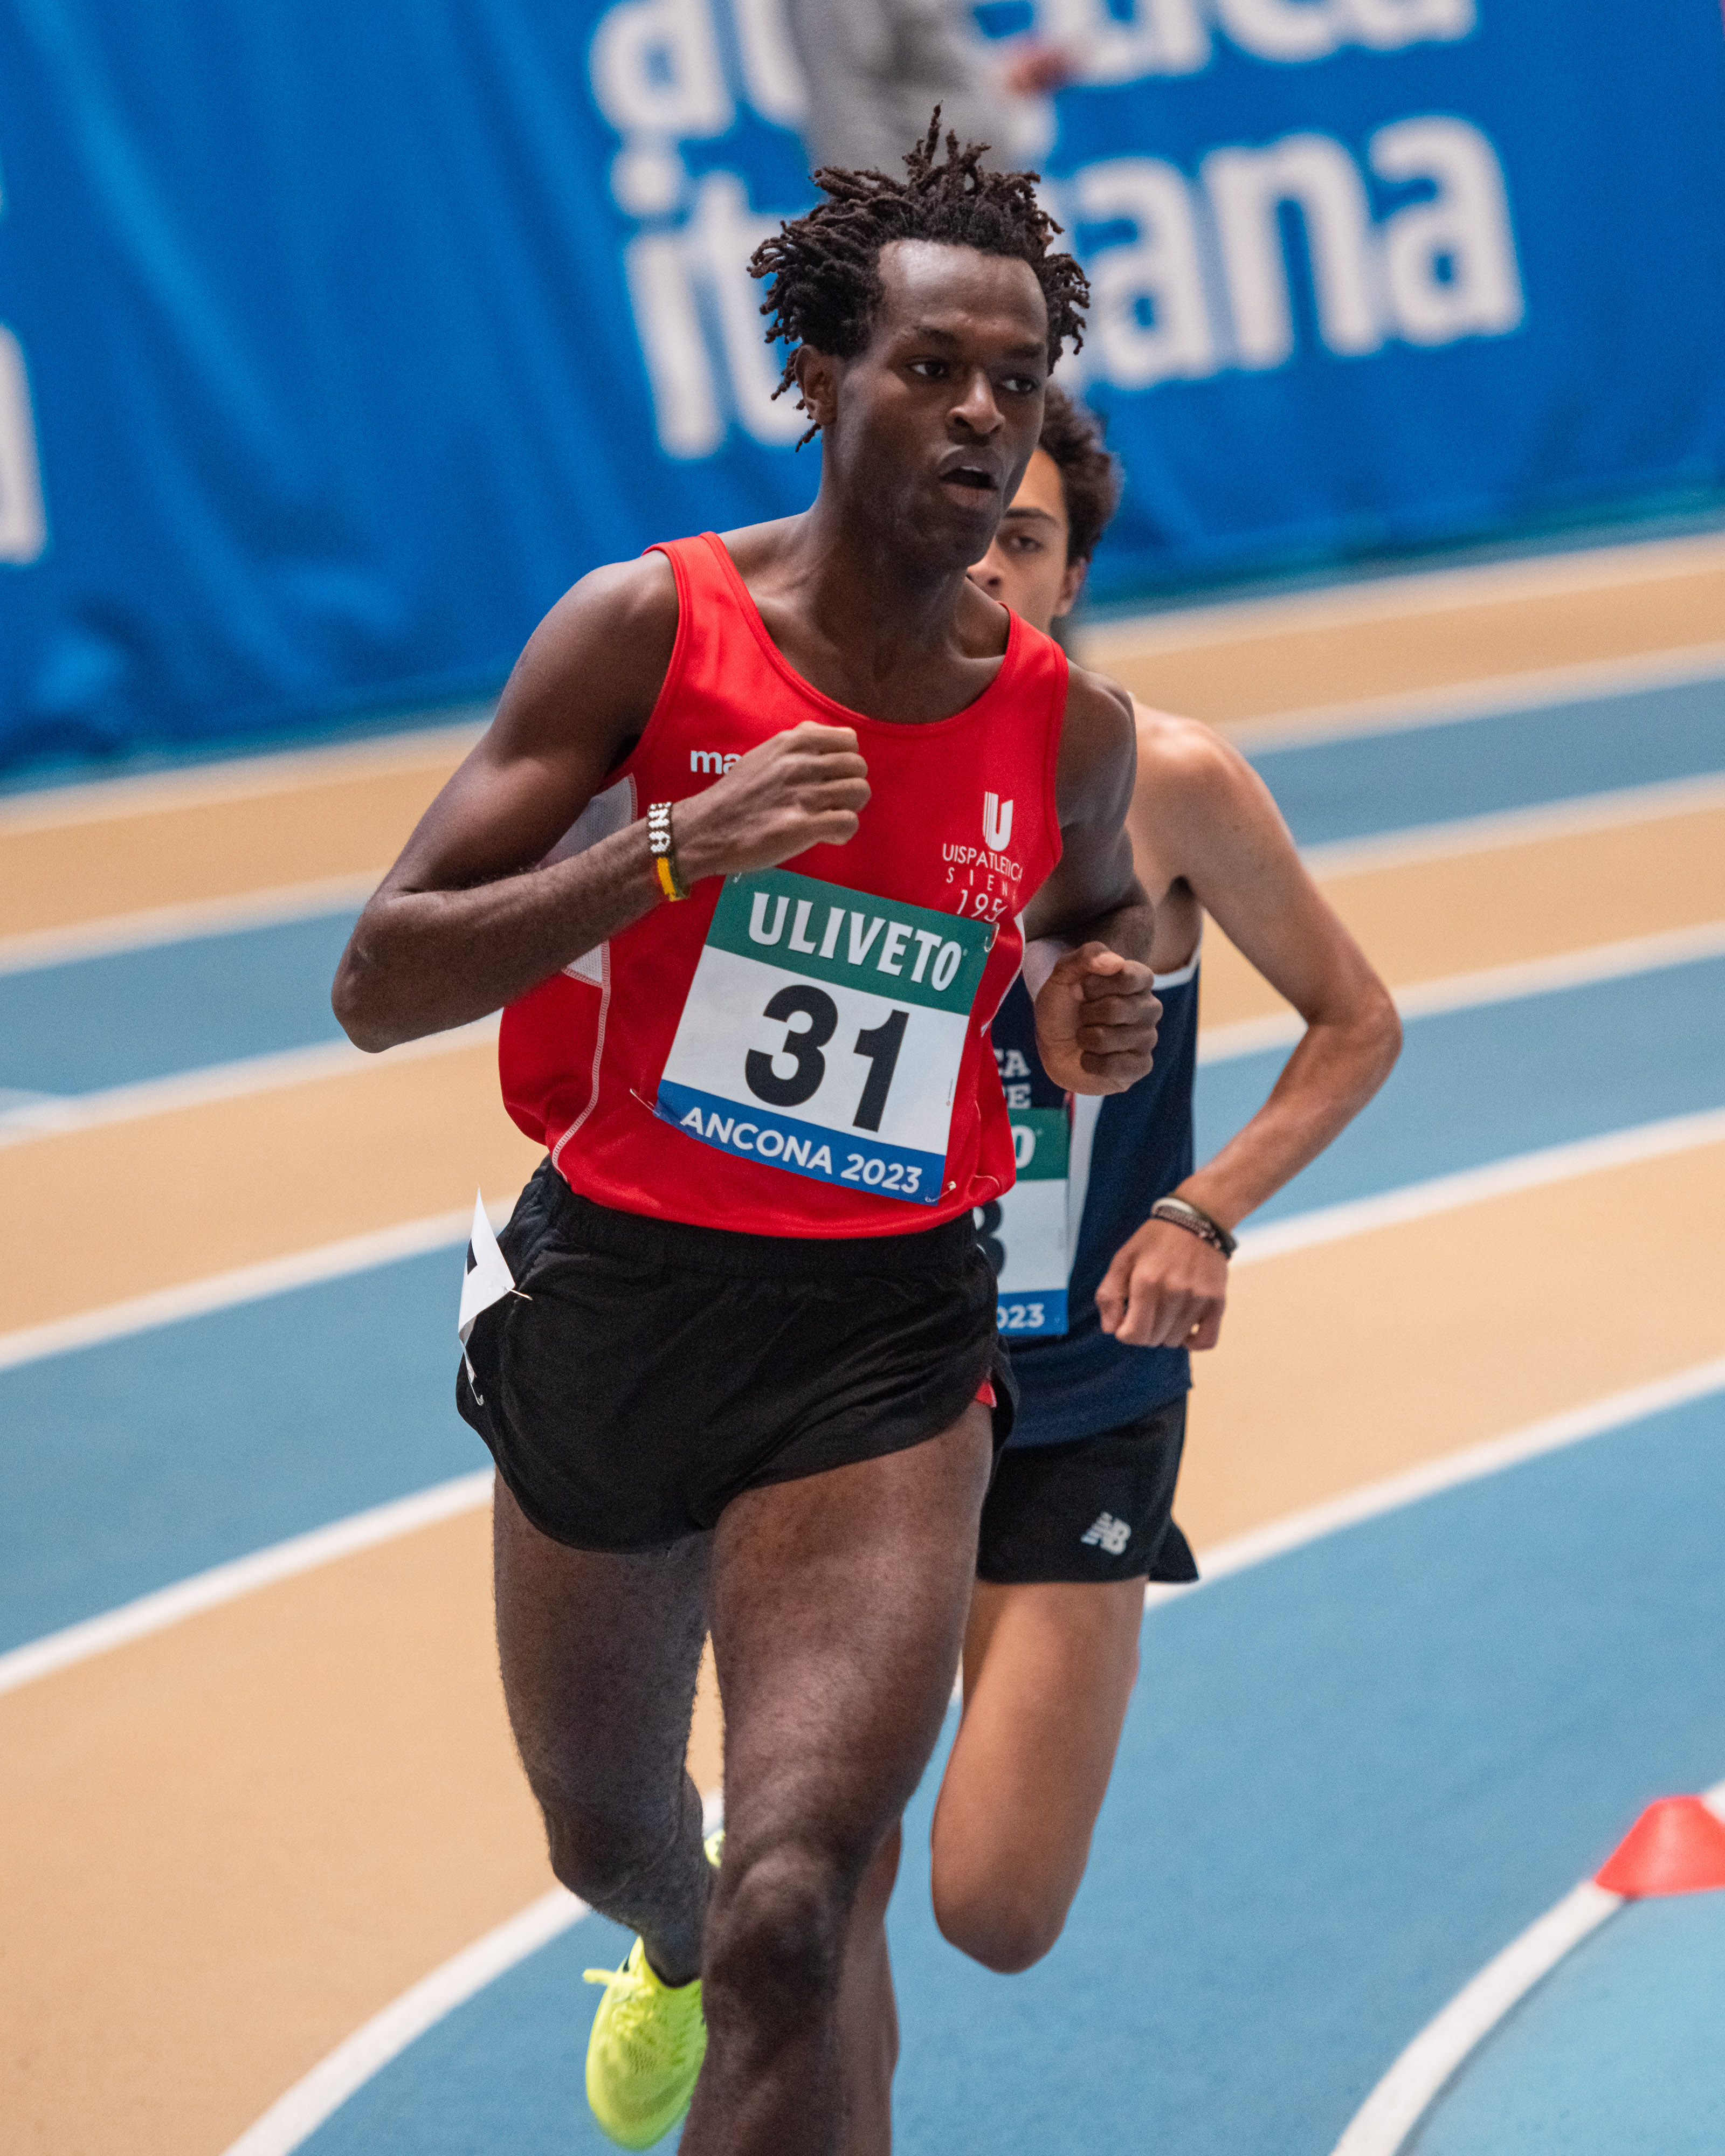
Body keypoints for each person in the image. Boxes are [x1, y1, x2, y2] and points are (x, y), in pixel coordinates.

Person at [332, 127, 1161, 2155]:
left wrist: (1087, 1006)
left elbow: (1091, 933)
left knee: (807, 1907)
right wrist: (668, 854)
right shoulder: (648, 628)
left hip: (888, 1342)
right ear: (821, 372)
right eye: (932, 368)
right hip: (623, 1306)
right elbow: (379, 976)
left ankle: (743, 1960)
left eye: (1017, 379)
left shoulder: (1064, 724)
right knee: (626, 1843)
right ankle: (662, 1938)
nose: (980, 415)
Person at [928, 386, 1402, 1975]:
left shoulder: (1173, 782)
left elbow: (1356, 1021)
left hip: (1081, 1397)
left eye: (1026, 540)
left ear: (1072, 579)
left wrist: (1206, 1209)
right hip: (855, 1381)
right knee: (811, 1866)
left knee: (997, 1908)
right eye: (966, 526)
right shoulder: (824, 772)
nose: (988, 565)